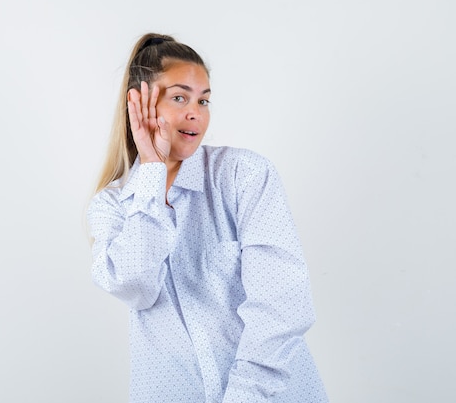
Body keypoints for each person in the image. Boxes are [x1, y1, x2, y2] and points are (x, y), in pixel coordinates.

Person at [87, 33, 328, 403]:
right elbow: (136, 286)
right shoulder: (113, 205)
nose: (195, 112)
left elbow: (283, 307)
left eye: (204, 100)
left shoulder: (244, 176)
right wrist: (151, 172)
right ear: (139, 103)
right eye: (180, 97)